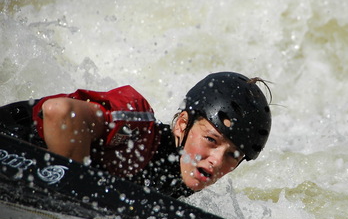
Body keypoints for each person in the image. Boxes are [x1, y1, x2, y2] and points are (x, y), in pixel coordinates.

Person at [0, 72, 272, 198]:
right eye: (211, 140)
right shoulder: (137, 128)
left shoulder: (181, 179)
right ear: (182, 125)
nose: (216, 161)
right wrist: (73, 199)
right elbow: (60, 112)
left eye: (233, 155)